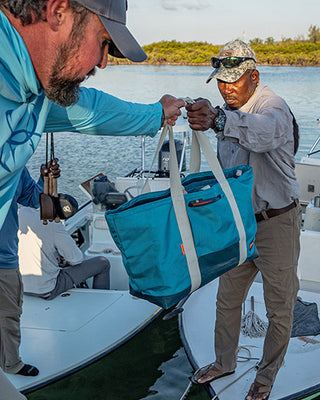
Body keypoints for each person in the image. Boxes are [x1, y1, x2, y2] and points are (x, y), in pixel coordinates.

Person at [0, 0, 186, 231]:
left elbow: (89, 110)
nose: (103, 62)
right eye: (103, 41)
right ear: (58, 13)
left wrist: (156, 113)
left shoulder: (32, 90)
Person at [186, 39, 301, 400]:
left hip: (277, 222)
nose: (226, 88)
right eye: (220, 81)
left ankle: (265, 379)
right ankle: (224, 362)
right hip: (240, 225)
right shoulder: (227, 113)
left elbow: (263, 131)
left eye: (233, 80)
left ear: (254, 76)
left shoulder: (274, 107)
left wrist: (219, 119)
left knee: (279, 309)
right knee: (226, 299)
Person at [0, 163, 59, 377]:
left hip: (4, 258)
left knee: (9, 314)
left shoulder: (16, 164)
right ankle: (11, 364)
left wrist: (46, 180)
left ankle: (11, 363)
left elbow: (34, 200)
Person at [18, 207, 111, 300]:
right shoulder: (52, 223)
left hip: (17, 287)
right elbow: (76, 259)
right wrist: (66, 260)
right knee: (103, 263)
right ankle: (101, 300)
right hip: (46, 289)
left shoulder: (16, 215)